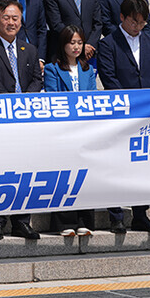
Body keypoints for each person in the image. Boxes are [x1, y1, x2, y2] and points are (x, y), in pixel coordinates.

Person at [96, 0, 150, 234]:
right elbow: (109, 78)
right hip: (121, 114)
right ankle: (116, 215)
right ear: (122, 18)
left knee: (142, 166)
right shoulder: (108, 44)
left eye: (142, 22)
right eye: (134, 21)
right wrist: (131, 104)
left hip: (147, 115)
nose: (138, 26)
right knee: (116, 165)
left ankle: (140, 214)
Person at [0, 0, 43, 240]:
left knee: (25, 169)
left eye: (15, 18)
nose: (11, 22)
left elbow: (37, 79)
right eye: (6, 17)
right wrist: (10, 103)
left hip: (24, 120)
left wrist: (22, 102)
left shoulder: (29, 49)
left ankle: (22, 221)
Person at [43, 25, 97, 237]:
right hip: (64, 130)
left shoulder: (88, 69)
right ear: (63, 44)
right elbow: (52, 97)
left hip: (85, 130)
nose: (76, 47)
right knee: (64, 176)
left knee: (85, 175)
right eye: (72, 42)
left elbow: (92, 96)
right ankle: (63, 221)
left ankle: (84, 219)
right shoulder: (52, 68)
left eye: (79, 43)